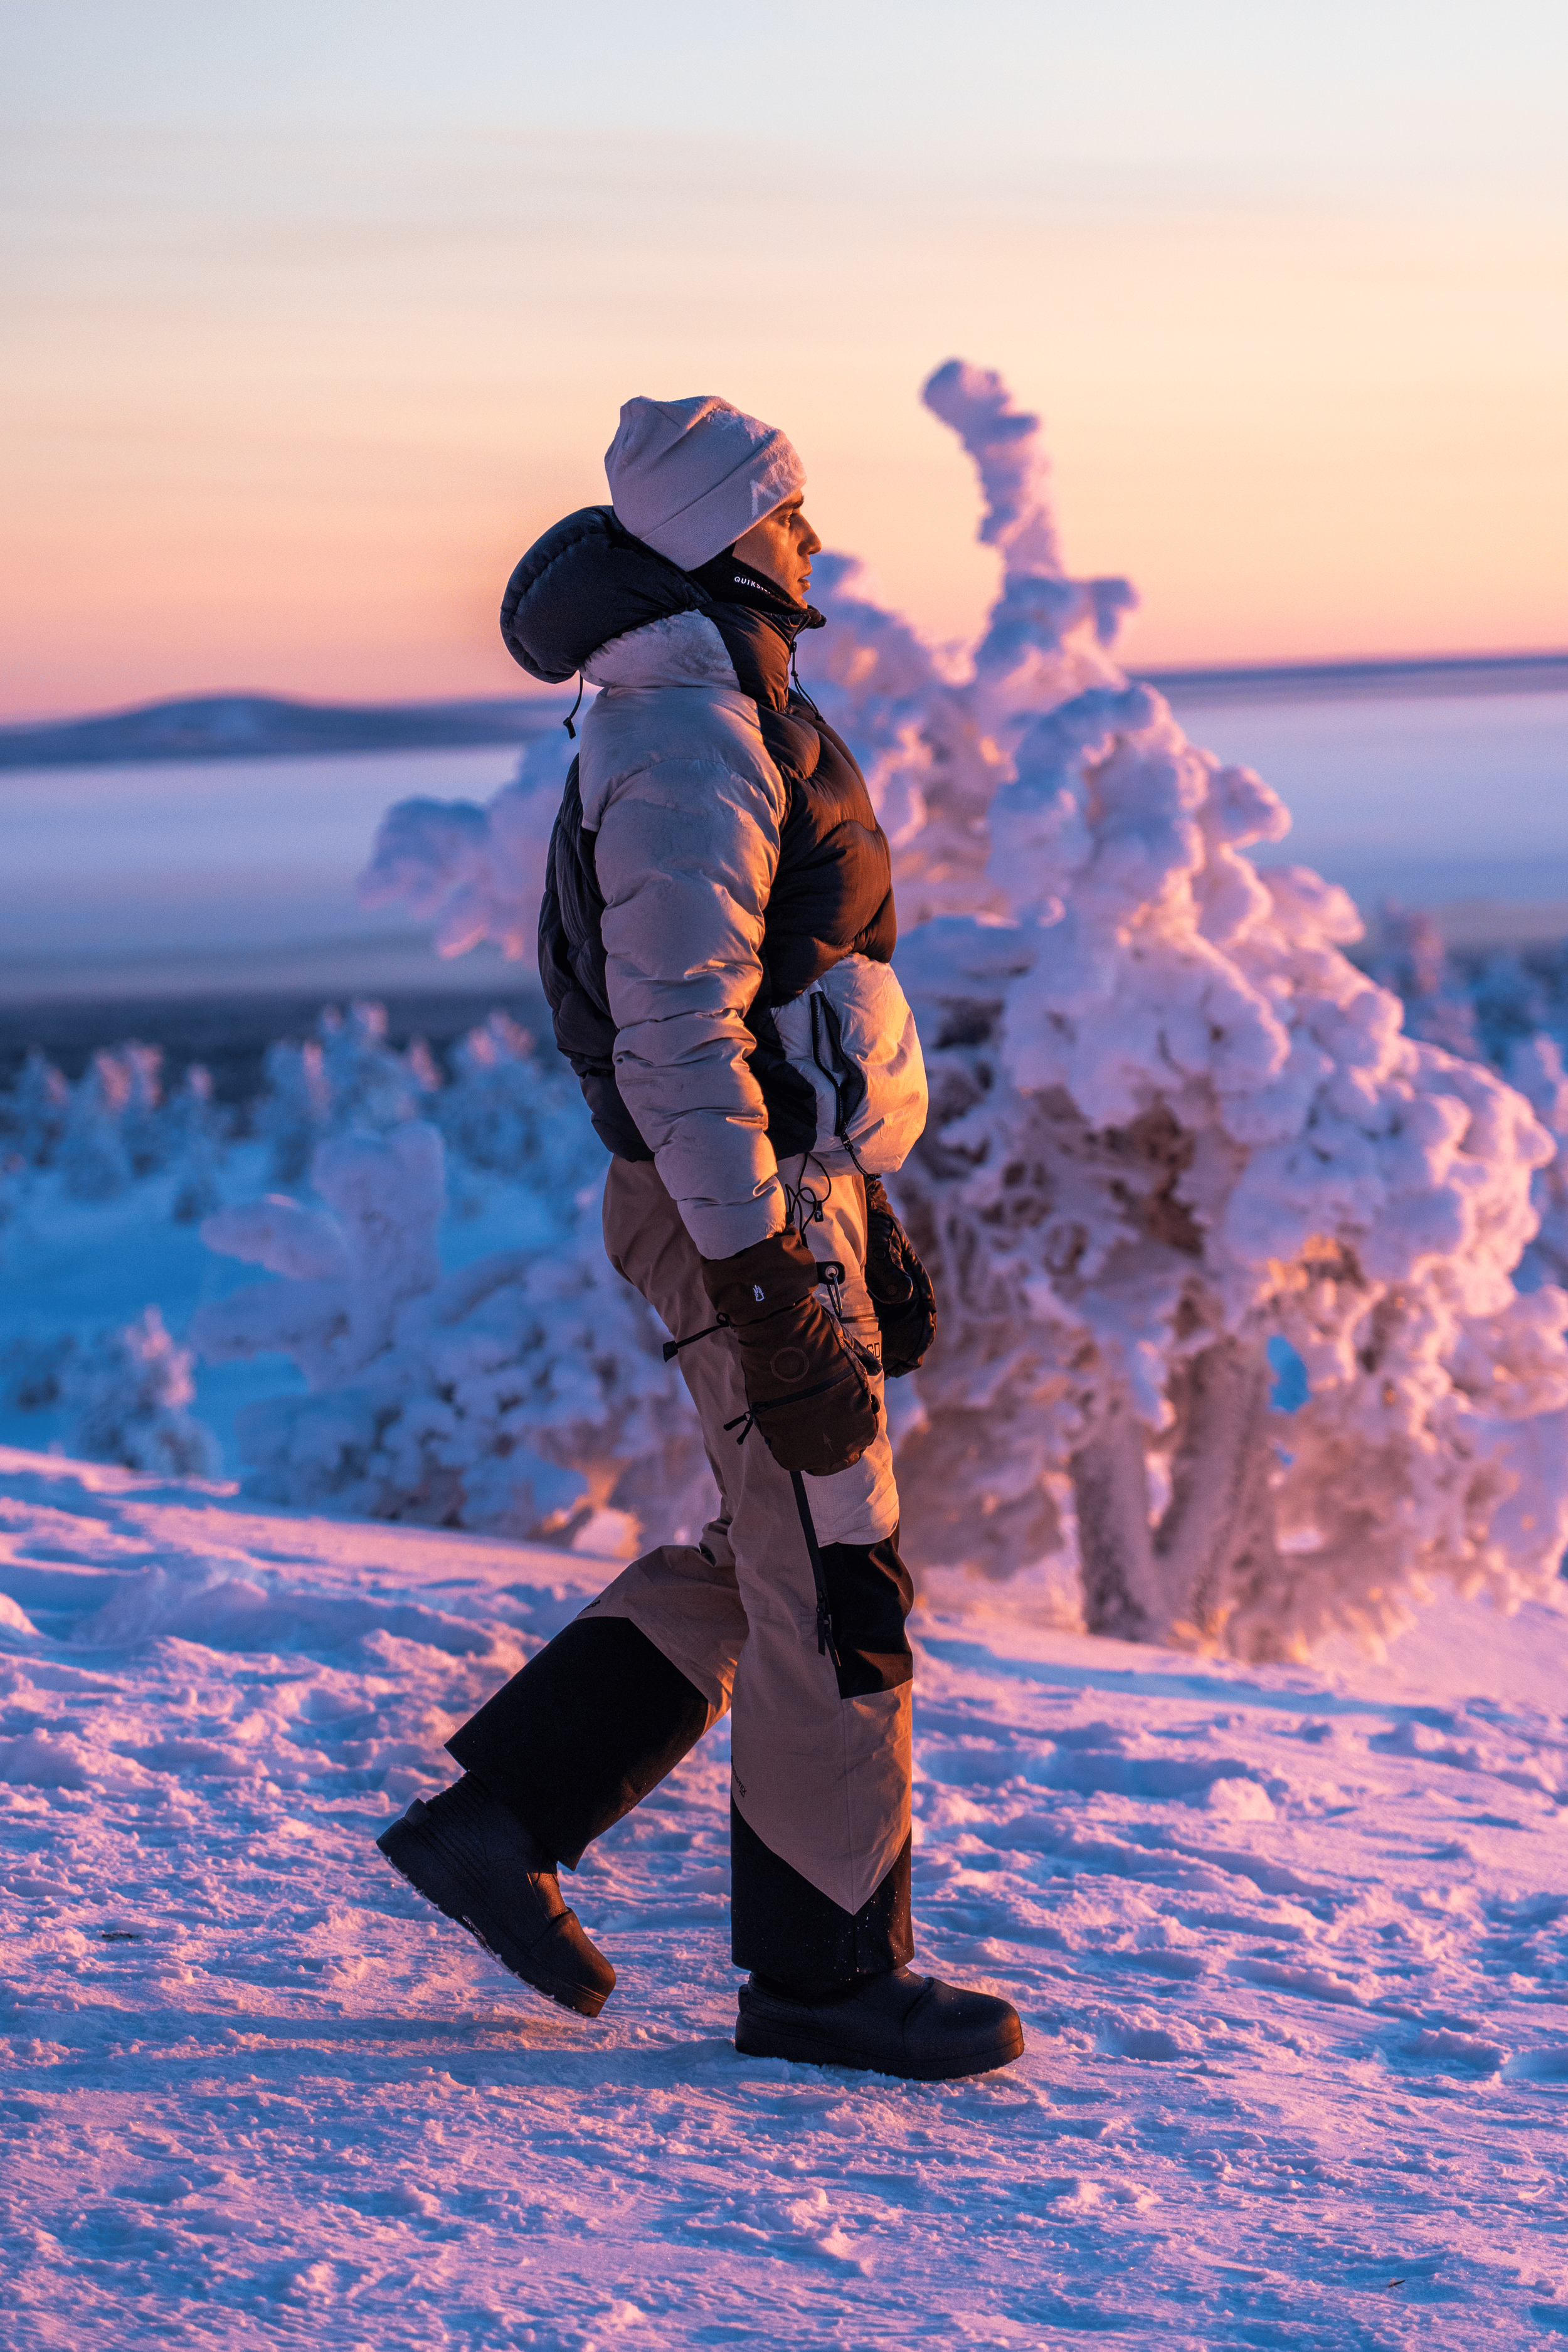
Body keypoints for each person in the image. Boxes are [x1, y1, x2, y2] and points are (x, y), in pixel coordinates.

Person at [377, 395, 1024, 2083]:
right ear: (733, 527)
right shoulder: (681, 742)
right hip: (728, 1208)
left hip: (773, 1198)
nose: (812, 537)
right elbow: (676, 1040)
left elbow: (780, 1010)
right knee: (835, 1579)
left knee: (784, 1549)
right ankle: (824, 1979)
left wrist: (850, 1217)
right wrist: (761, 1272)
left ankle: (502, 1816)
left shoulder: (717, 703)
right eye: (792, 510)